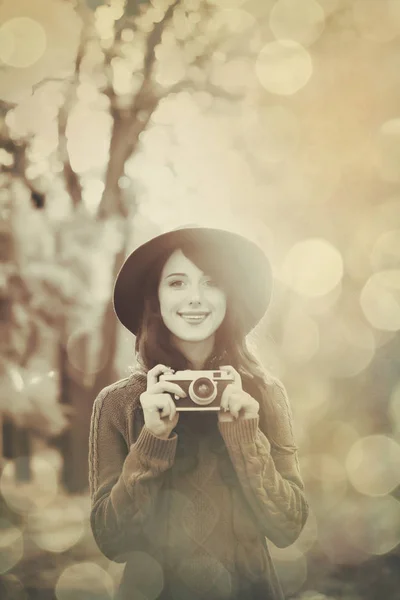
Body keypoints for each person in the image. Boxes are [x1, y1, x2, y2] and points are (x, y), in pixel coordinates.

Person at [89, 226, 309, 600]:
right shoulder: (118, 404)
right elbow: (112, 541)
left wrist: (245, 439)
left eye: (211, 282)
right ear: (155, 299)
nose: (195, 298)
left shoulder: (264, 395)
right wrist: (151, 442)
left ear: (228, 296)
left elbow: (288, 527)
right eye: (177, 283)